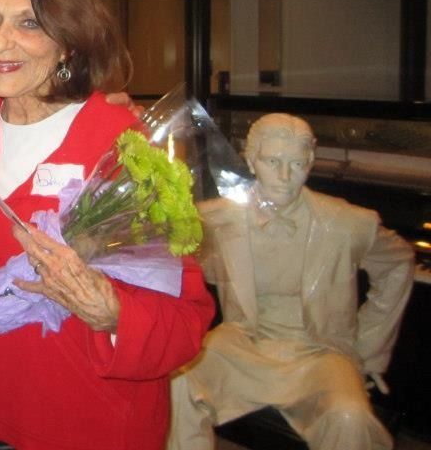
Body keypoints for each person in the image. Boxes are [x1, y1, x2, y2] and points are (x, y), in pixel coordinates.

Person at [0, 0, 215, 450]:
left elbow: (186, 321)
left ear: (68, 41)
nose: (1, 43)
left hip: (87, 426)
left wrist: (113, 311)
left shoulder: (122, 148)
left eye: (29, 23)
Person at [167, 113, 415, 450]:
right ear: (251, 161)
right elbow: (170, 263)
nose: (285, 177)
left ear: (310, 163)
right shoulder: (216, 219)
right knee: (178, 382)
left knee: (349, 417)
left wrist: (368, 349)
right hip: (243, 342)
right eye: (272, 161)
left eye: (297, 164)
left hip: (319, 352)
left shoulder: (348, 223)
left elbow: (399, 263)